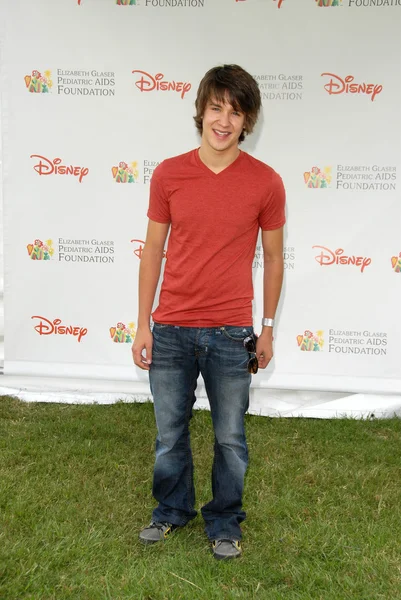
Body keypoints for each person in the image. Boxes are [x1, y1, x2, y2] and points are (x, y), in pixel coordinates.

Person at [132, 64, 286, 560]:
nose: (224, 120)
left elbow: (276, 259)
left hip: (231, 331)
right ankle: (172, 510)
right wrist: (142, 323)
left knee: (230, 438)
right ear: (201, 110)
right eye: (216, 107)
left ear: (248, 122)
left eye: (235, 112)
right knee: (169, 432)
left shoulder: (266, 182)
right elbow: (152, 250)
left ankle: (224, 520)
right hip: (172, 327)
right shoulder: (169, 173)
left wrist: (266, 329)